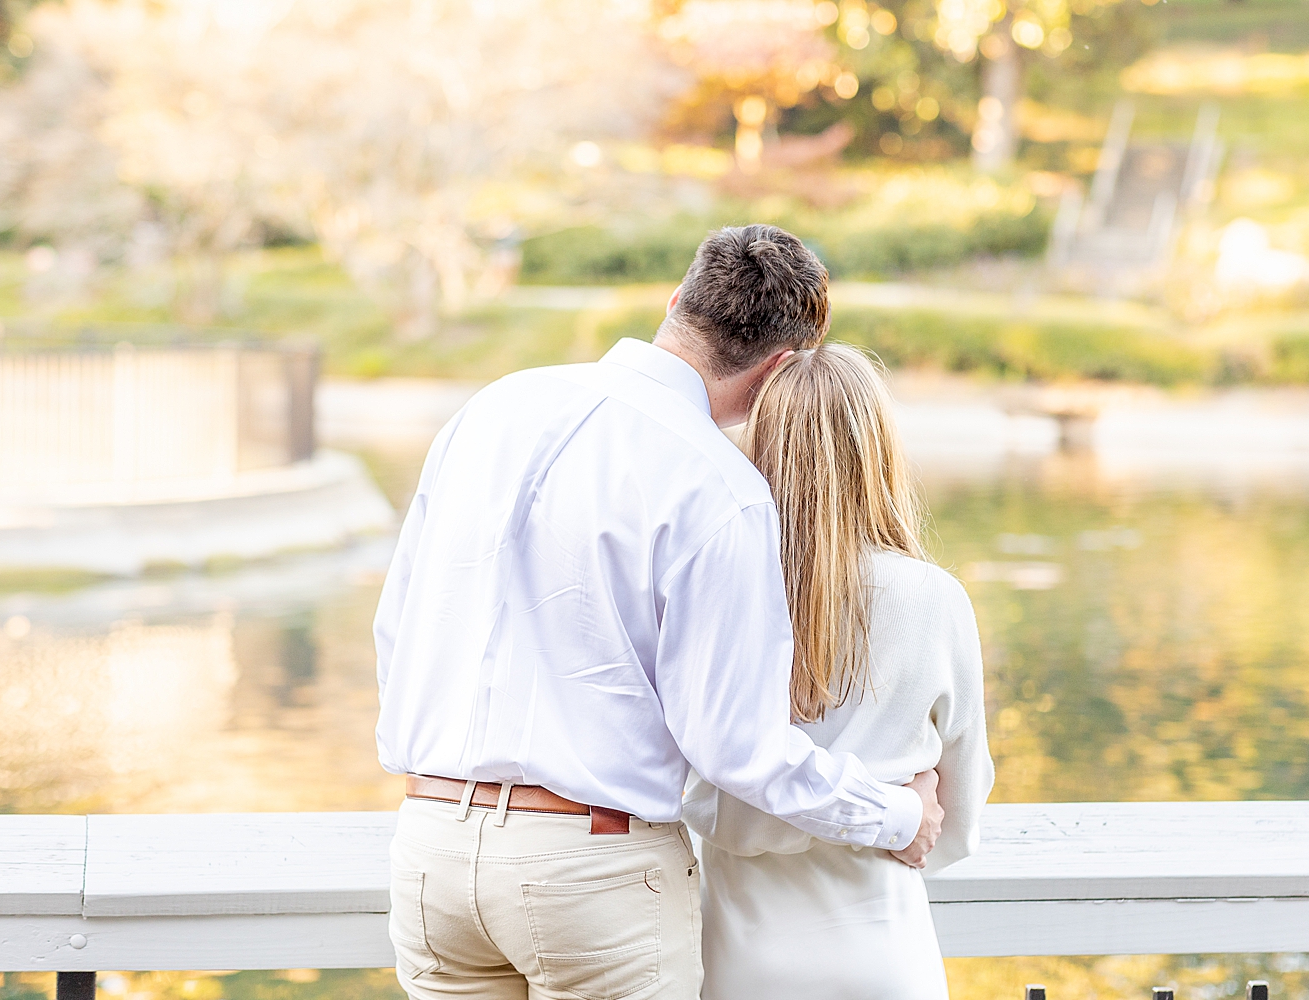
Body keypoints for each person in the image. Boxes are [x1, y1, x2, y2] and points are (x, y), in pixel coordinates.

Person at [373, 224, 944, 1000]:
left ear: (676, 301)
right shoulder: (720, 490)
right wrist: (897, 817)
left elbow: (397, 628)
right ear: (780, 368)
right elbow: (735, 747)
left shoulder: (492, 410)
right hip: (590, 867)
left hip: (428, 847)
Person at [684, 344, 995, 1000]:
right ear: (878, 450)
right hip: (881, 948)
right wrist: (903, 808)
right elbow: (958, 822)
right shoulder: (934, 600)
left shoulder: (717, 593)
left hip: (738, 955)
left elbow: (696, 788)